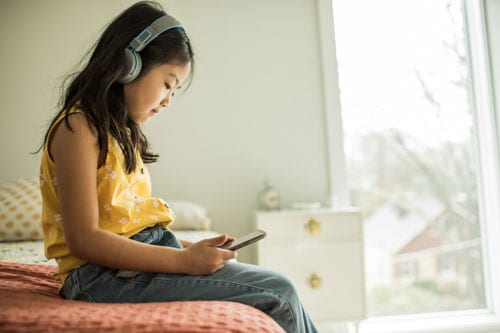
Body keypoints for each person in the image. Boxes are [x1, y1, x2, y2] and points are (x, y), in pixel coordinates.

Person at [39, 1, 317, 332]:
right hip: (100, 278)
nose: (169, 100)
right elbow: (84, 240)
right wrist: (182, 261)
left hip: (123, 269)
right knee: (279, 292)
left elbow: (129, 231)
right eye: (168, 83)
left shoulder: (120, 134)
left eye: (176, 89)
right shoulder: (78, 129)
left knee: (276, 287)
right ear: (129, 64)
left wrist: (191, 249)